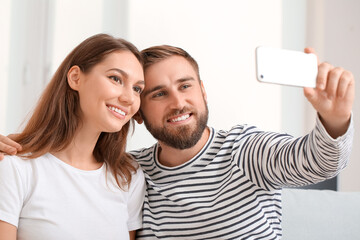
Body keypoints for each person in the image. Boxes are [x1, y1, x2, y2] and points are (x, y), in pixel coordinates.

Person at [0, 45, 355, 239]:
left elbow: (317, 162)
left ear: (202, 91)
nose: (177, 102)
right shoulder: (131, 172)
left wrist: (334, 117)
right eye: (156, 93)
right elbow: (69, 169)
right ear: (138, 112)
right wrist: (26, 146)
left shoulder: (244, 149)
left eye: (185, 86)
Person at [0, 34, 146, 240]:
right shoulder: (15, 166)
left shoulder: (128, 178)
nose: (129, 98)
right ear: (75, 78)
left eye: (137, 88)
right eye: (116, 78)